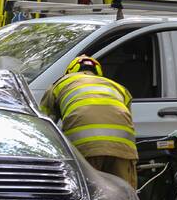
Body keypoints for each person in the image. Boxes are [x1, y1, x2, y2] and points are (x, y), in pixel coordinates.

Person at [41, 55, 138, 188]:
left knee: (88, 193)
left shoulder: (59, 84)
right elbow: (126, 119)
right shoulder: (119, 88)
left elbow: (43, 125)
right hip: (122, 149)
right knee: (124, 197)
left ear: (70, 72)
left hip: (84, 149)